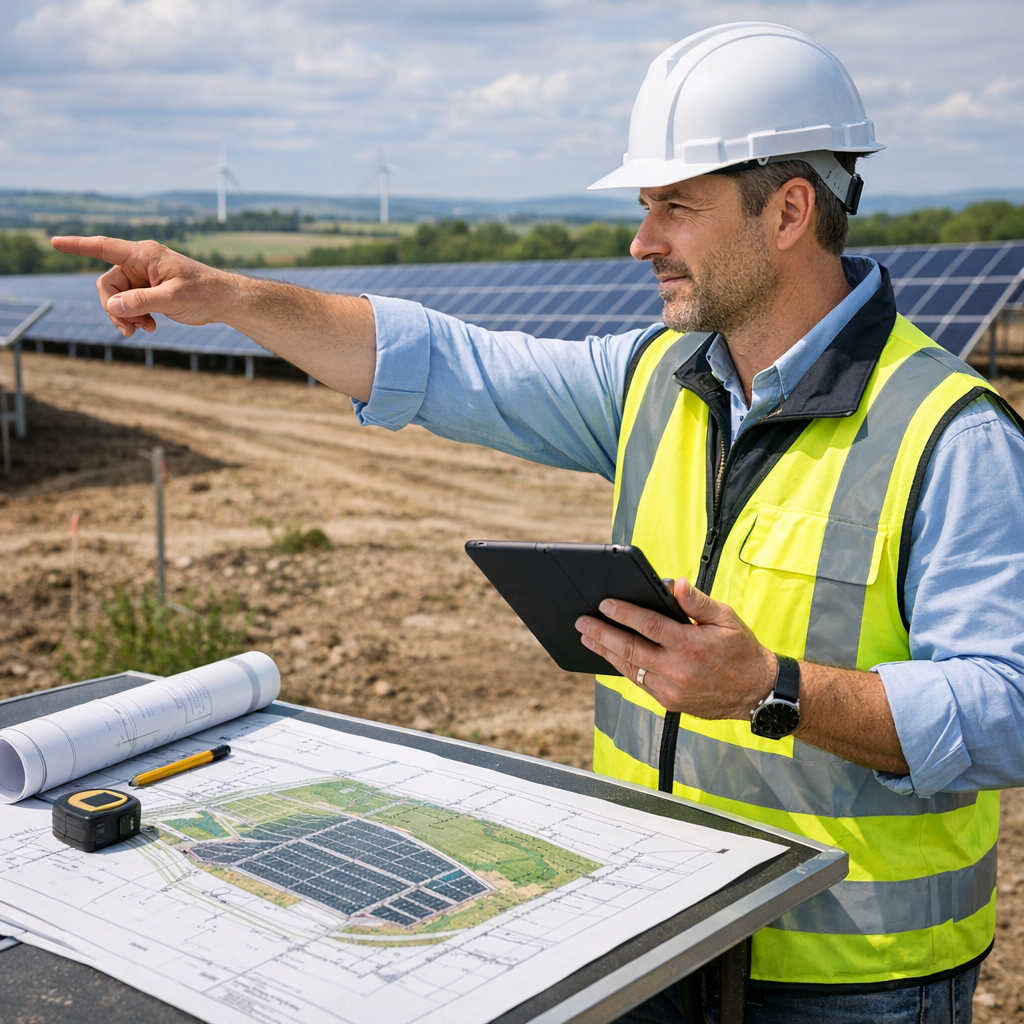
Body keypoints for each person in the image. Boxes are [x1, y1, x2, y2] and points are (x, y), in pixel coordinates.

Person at [53, 21, 1023, 1024]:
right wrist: (233, 298)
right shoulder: (655, 379)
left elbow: (1010, 706)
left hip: (851, 981)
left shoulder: (946, 433)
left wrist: (773, 689)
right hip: (668, 931)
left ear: (786, 211)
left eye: (674, 208)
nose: (642, 241)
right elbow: (447, 363)